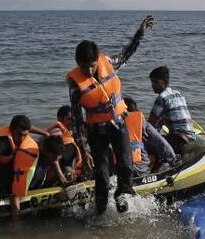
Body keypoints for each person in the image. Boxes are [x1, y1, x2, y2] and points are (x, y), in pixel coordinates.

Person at [67, 15, 154, 214]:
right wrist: (84, 149)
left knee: (125, 163)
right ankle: (100, 211)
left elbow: (126, 54)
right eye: (83, 66)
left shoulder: (108, 63)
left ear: (97, 59)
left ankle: (122, 195)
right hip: (96, 132)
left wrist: (140, 33)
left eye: (91, 65)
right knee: (102, 174)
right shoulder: (75, 86)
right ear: (77, 64)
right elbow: (77, 120)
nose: (88, 70)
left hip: (118, 124)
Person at [0, 115, 40, 218]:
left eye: (25, 135)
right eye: (19, 134)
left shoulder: (18, 136)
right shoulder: (2, 143)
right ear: (12, 129)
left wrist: (44, 133)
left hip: (2, 168)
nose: (21, 139)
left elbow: (28, 128)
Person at [148, 66, 197, 154]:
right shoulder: (178, 94)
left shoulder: (162, 98)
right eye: (152, 82)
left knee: (147, 145)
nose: (153, 85)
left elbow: (150, 125)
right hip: (192, 140)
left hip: (179, 143)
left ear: (165, 82)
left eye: (156, 82)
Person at [123, 96, 177, 174]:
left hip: (120, 168)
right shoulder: (145, 125)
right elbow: (162, 143)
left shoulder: (115, 125)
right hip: (140, 168)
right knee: (156, 149)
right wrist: (173, 159)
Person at [46, 105, 83, 182]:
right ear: (60, 119)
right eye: (69, 119)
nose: (72, 122)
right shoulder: (56, 132)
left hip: (69, 165)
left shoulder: (71, 133)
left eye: (73, 119)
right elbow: (57, 158)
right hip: (57, 169)